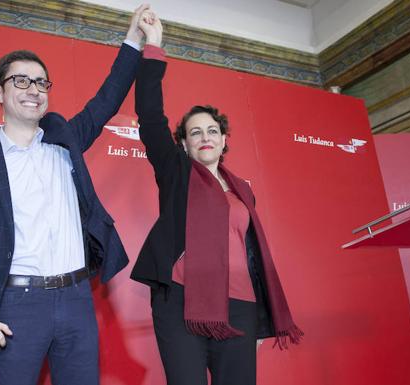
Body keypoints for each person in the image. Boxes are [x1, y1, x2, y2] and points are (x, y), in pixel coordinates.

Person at [0, 5, 154, 385]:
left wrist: (134, 40)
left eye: (41, 82)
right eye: (20, 81)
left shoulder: (65, 141)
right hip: (16, 307)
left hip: (76, 300)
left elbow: (107, 100)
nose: (33, 90)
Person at [130, 13, 303, 385]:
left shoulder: (243, 189)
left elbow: (250, 255)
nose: (205, 137)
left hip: (240, 309)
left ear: (224, 139)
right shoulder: (176, 174)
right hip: (180, 305)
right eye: (195, 132)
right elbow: (149, 115)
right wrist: (154, 45)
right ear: (183, 143)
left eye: (212, 130)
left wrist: (259, 323)